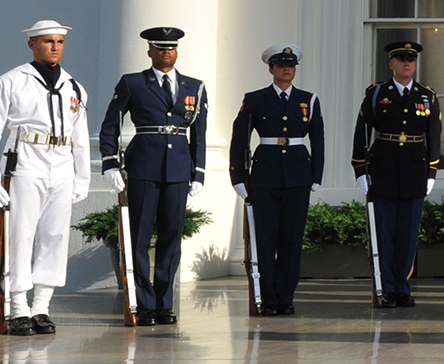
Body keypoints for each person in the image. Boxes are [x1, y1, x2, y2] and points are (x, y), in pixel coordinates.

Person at [0, 20, 92, 336]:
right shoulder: (10, 82)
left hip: (61, 166)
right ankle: (17, 308)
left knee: (55, 237)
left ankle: (41, 307)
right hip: (24, 163)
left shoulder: (74, 87)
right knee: (20, 236)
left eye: (59, 42)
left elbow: (80, 137)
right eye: (47, 41)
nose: (54, 46)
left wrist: (82, 177)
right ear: (32, 44)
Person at [98, 26, 209, 326]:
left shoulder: (193, 86)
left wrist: (198, 172)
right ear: (150, 52)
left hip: (177, 168)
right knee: (139, 237)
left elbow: (199, 133)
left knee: (172, 238)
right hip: (143, 165)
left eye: (171, 48)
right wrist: (110, 163)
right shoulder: (133, 83)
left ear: (176, 51)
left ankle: (164, 303)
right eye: (160, 48)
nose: (166, 53)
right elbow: (111, 124)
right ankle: (144, 303)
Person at [228, 44, 326, 316]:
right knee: (265, 239)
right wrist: (237, 175)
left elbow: (318, 139)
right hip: (265, 175)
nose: (287, 69)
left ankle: (285, 296)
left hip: (297, 175)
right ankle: (267, 296)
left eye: (291, 65)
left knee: (291, 240)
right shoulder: (255, 99)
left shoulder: (309, 100)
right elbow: (240, 138)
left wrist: (316, 175)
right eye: (281, 65)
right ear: (270, 69)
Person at [351, 41, 444, 309]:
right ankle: (386, 287)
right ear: (391, 64)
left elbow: (434, 136)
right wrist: (360, 167)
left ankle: (403, 286)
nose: (407, 64)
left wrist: (432, 170)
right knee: (384, 232)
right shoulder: (377, 93)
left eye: (411, 60)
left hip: (415, 168)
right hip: (383, 167)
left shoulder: (427, 95)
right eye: (401, 59)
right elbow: (362, 131)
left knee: (408, 233)